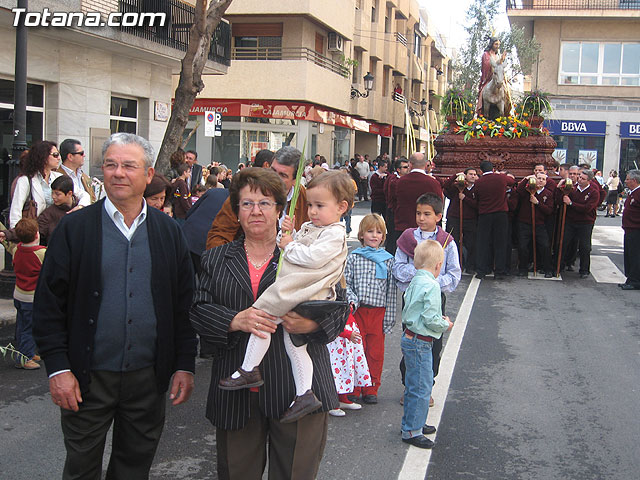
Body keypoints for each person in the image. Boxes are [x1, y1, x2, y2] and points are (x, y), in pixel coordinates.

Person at [33, 133, 197, 479]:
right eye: (110, 165)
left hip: (147, 378)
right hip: (86, 377)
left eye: (128, 166)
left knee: (133, 467)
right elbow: (48, 305)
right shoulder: (74, 229)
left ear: (149, 175)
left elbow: (183, 306)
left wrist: (184, 364)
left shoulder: (168, 232)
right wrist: (58, 368)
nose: (118, 173)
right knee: (81, 466)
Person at [190, 168, 349, 479]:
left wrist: (311, 326)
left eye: (265, 202)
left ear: (280, 209)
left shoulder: (309, 254)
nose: (256, 211)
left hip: (298, 390)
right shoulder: (215, 259)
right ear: (236, 212)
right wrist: (234, 320)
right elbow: (197, 310)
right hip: (236, 394)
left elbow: (340, 310)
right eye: (246, 203)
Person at [218, 170, 351, 423]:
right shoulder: (313, 227)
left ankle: (249, 369)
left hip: (307, 292)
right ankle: (304, 393)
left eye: (319, 206)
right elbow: (287, 246)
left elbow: (309, 258)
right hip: (302, 290)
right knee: (295, 344)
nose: (312, 211)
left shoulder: (334, 233)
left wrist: (290, 244)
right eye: (310, 205)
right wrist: (287, 234)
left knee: (263, 316)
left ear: (341, 207)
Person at [393, 193, 460, 407]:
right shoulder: (407, 238)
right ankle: (409, 386)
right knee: (411, 341)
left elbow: (453, 274)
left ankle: (426, 386)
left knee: (432, 342)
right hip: (411, 298)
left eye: (427, 214)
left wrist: (431, 284)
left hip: (435, 298)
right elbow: (398, 267)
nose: (421, 218)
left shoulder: (446, 242)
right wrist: (420, 276)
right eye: (418, 213)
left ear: (438, 216)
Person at [400, 239, 453, 449]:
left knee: (414, 385)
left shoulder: (415, 280)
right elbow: (431, 318)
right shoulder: (432, 285)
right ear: (439, 265)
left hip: (410, 337)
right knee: (422, 387)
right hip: (421, 341)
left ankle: (413, 423)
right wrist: (445, 324)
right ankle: (412, 431)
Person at [206, 146, 310, 249]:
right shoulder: (245, 193)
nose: (274, 177)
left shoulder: (306, 200)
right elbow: (218, 237)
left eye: (282, 175)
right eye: (272, 170)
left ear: (296, 180)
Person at [344, 213, 397, 404]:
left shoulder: (388, 260)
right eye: (370, 231)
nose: (374, 235)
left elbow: (391, 291)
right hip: (358, 312)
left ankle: (371, 388)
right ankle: (355, 387)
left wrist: (389, 318)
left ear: (383, 236)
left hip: (378, 313)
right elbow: (346, 283)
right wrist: (351, 300)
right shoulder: (354, 258)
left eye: (378, 232)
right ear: (361, 234)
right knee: (357, 349)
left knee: (375, 353)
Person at [9, 140, 90, 228]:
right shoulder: (25, 180)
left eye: (58, 155)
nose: (59, 158)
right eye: (55, 155)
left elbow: (84, 195)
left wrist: (80, 207)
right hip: (34, 232)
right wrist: (16, 235)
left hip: (55, 230)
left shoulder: (58, 176)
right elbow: (15, 212)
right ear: (43, 157)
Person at [12, 218, 46, 370]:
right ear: (37, 235)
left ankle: (26, 352)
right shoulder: (41, 253)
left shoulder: (16, 250)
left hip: (18, 294)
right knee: (29, 328)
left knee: (21, 325)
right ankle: (24, 358)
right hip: (32, 297)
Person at [473, 160, 516, 279]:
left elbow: (476, 196)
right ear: (492, 169)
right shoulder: (501, 178)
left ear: (481, 171)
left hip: (484, 214)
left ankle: (481, 270)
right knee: (500, 243)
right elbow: (512, 182)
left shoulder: (479, 182)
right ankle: (499, 271)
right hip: (500, 214)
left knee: (483, 243)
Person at [326, 312, 370, 417]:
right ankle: (332, 401)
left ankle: (343, 397)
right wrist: (346, 333)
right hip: (337, 338)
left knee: (347, 366)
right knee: (335, 368)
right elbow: (330, 322)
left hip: (348, 329)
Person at [558, 169, 600, 278]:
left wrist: (571, 203)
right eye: (579, 177)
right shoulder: (573, 189)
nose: (579, 180)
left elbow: (587, 208)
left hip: (585, 222)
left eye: (583, 178)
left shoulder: (593, 192)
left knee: (584, 246)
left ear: (589, 181)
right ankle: (559, 265)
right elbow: (562, 198)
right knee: (564, 242)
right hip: (571, 221)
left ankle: (584, 269)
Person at [393, 152, 443, 243]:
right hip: (427, 228)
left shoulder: (400, 182)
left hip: (403, 225)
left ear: (410, 164)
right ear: (425, 165)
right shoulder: (433, 183)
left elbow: (392, 202)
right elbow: (439, 204)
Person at [516, 174, 555, 278]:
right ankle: (522, 268)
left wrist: (537, 203)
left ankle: (547, 268)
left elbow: (549, 210)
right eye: (539, 178)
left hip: (539, 224)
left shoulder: (548, 194)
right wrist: (526, 179)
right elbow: (519, 190)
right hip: (525, 223)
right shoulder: (527, 190)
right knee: (523, 247)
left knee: (545, 246)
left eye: (543, 179)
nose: (541, 181)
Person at [443, 168, 479, 273]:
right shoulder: (457, 186)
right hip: (455, 217)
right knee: (454, 241)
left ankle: (470, 266)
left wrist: (465, 199)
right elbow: (445, 186)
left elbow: (478, 205)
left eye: (474, 174)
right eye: (470, 174)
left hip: (470, 219)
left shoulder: (477, 189)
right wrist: (455, 176)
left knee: (471, 243)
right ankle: (456, 264)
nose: (473, 176)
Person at [37, 176, 79, 246]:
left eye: (57, 194)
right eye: (52, 193)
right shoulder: (48, 214)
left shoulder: (81, 207)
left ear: (69, 193)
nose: (53, 196)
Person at [477, 36, 512, 117]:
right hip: (489, 79)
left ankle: (507, 111)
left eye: (499, 44)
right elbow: (488, 66)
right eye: (496, 44)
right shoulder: (486, 55)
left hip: (498, 78)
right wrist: (500, 60)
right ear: (492, 44)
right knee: (483, 92)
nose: (497, 46)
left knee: (506, 92)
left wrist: (501, 62)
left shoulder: (496, 55)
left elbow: (500, 67)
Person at [57, 139, 97, 203]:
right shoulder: (57, 176)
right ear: (70, 157)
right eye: (81, 153)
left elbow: (92, 197)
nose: (84, 155)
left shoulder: (84, 176)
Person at [619, 170, 640, 290]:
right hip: (629, 228)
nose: (625, 181)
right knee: (629, 255)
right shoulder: (633, 193)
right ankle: (630, 278)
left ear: (634, 181)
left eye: (627, 179)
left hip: (636, 229)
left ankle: (635, 280)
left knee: (635, 255)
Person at [384, 157, 409, 255]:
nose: (408, 169)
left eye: (408, 167)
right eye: (405, 167)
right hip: (394, 212)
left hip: (400, 213)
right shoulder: (394, 180)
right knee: (393, 238)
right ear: (398, 169)